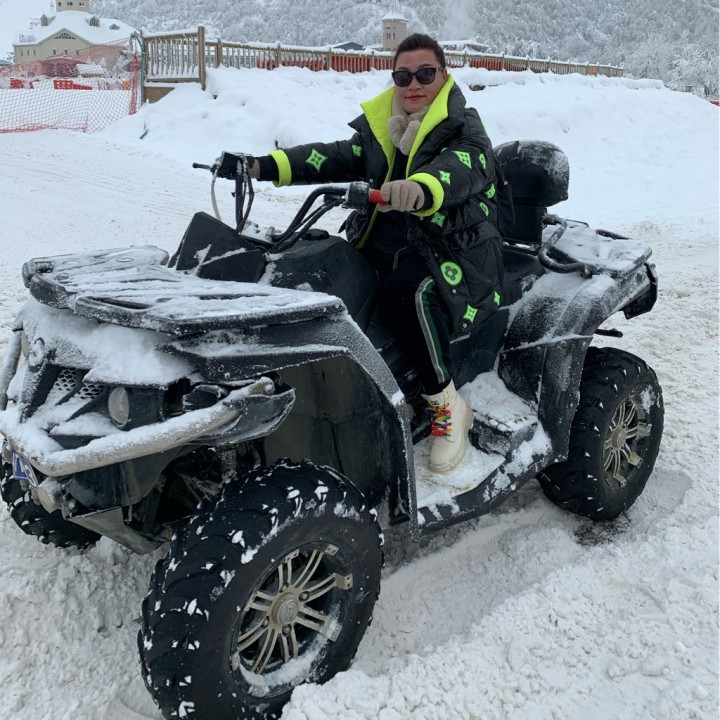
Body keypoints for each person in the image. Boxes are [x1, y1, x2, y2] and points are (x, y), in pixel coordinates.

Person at [249, 33, 503, 474]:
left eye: (425, 73)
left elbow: (460, 168)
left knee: (408, 295)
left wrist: (420, 188)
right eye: (403, 76)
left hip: (451, 250)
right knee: (320, 275)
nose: (413, 84)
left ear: (443, 75)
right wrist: (261, 166)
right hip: (385, 243)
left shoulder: (464, 129)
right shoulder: (386, 126)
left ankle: (446, 404)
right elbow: (331, 156)